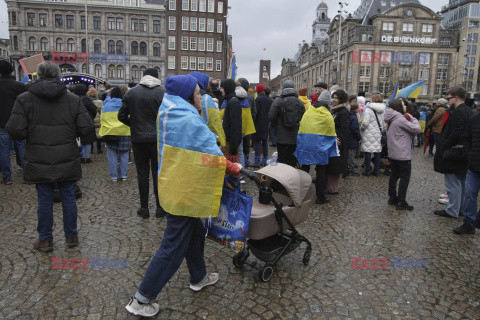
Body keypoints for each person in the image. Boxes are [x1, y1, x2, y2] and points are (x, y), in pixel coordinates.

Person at [124, 75, 242, 318]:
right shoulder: (188, 119)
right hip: (183, 189)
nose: (201, 96)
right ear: (187, 95)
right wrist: (234, 168)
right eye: (198, 93)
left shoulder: (171, 111)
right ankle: (141, 299)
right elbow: (211, 156)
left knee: (195, 232)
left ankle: (199, 276)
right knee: (173, 246)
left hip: (178, 183)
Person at [6, 61, 94, 252]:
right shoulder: (72, 99)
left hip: (39, 157)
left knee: (44, 199)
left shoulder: (24, 99)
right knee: (68, 197)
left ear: (38, 76)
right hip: (67, 156)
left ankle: (45, 239)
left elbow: (15, 130)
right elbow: (87, 128)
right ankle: (71, 237)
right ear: (58, 76)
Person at [118, 68, 166, 219]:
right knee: (158, 172)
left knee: (142, 173)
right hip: (157, 138)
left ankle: (144, 208)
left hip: (138, 138)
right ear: (157, 77)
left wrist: (134, 124)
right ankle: (160, 208)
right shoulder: (164, 93)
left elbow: (121, 116)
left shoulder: (131, 93)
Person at [433, 87, 473, 219]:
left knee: (453, 184)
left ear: (456, 97)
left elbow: (456, 133)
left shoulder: (459, 112)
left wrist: (444, 146)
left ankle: (452, 210)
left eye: (449, 98)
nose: (447, 101)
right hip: (462, 152)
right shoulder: (468, 111)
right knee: (460, 182)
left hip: (454, 152)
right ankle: (459, 208)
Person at [295, 93, 337, 204]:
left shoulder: (308, 111)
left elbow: (301, 126)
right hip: (320, 146)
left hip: (306, 145)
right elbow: (331, 133)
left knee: (305, 169)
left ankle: (301, 196)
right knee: (321, 170)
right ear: (328, 104)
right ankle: (320, 197)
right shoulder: (327, 115)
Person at [384, 100, 422, 210]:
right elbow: (417, 129)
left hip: (394, 151)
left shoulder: (391, 118)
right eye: (403, 105)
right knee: (404, 177)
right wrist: (412, 118)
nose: (405, 106)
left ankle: (392, 197)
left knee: (394, 175)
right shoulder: (400, 119)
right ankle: (401, 201)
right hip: (402, 152)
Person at [0, 60, 27, 185]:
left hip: (2, 123)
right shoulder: (19, 86)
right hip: (18, 121)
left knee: (4, 150)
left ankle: (7, 177)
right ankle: (27, 175)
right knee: (22, 147)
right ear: (11, 71)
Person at [453, 112, 480, 234]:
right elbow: (466, 138)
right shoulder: (474, 119)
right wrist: (469, 154)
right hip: (474, 164)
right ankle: (469, 222)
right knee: (470, 193)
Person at [268, 80, 305, 167]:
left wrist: (276, 124)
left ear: (283, 88)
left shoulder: (278, 101)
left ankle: (282, 178)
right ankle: (292, 176)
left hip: (281, 136)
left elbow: (271, 116)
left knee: (282, 158)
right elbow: (304, 118)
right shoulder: (299, 102)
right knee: (292, 158)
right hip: (294, 136)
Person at [100, 87, 131, 181]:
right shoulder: (125, 104)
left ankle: (113, 176)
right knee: (124, 155)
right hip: (125, 132)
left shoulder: (106, 106)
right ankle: (124, 175)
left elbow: (103, 120)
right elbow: (130, 118)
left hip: (110, 133)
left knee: (112, 156)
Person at [190, 72, 226, 147]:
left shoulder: (184, 96)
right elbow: (215, 121)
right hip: (205, 140)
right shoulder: (206, 99)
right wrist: (221, 140)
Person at [327, 89, 350, 193]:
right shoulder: (335, 110)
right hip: (332, 140)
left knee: (335, 166)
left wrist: (338, 139)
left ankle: (333, 189)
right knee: (331, 165)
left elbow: (344, 128)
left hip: (338, 142)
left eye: (336, 98)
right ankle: (329, 187)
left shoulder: (344, 111)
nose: (334, 100)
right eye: (333, 97)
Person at [361, 94, 385, 176]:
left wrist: (362, 128)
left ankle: (368, 169)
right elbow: (384, 122)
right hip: (378, 132)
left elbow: (366, 122)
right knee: (377, 151)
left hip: (368, 132)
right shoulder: (383, 109)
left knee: (368, 151)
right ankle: (376, 170)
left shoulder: (369, 109)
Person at [73, 84, 97, 164]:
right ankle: (87, 157)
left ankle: (81, 156)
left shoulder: (74, 100)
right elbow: (94, 110)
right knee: (88, 141)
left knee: (78, 140)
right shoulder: (87, 100)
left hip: (76, 123)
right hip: (87, 123)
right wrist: (91, 118)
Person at [220, 79, 242, 160]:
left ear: (227, 88)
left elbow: (236, 125)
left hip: (230, 143)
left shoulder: (233, 103)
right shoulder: (230, 101)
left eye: (222, 88)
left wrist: (234, 146)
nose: (220, 90)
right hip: (228, 141)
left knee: (231, 169)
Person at [253, 84, 272, 167]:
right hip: (266, 123)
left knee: (257, 143)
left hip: (257, 124)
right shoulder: (269, 100)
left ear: (257, 90)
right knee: (265, 143)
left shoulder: (257, 100)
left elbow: (255, 113)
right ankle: (265, 161)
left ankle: (257, 162)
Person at [87, 87, 104, 154]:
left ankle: (91, 150)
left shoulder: (88, 101)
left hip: (91, 119)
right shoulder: (99, 102)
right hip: (98, 119)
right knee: (98, 134)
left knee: (91, 134)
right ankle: (99, 150)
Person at [347, 103, 361, 177]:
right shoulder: (354, 117)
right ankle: (351, 169)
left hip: (349, 137)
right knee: (351, 154)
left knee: (349, 154)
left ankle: (349, 167)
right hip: (352, 138)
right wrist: (359, 137)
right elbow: (355, 129)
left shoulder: (349, 115)